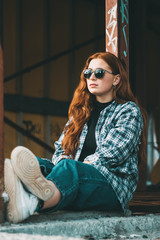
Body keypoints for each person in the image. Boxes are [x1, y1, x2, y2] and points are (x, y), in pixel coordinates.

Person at [4, 52, 146, 224]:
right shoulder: (80, 113)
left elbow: (113, 153)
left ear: (116, 80)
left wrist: (75, 166)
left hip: (112, 188)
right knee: (40, 165)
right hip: (76, 180)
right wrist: (62, 166)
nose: (92, 77)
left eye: (99, 73)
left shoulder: (128, 111)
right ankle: (18, 198)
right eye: (88, 73)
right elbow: (61, 149)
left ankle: (35, 201)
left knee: (68, 167)